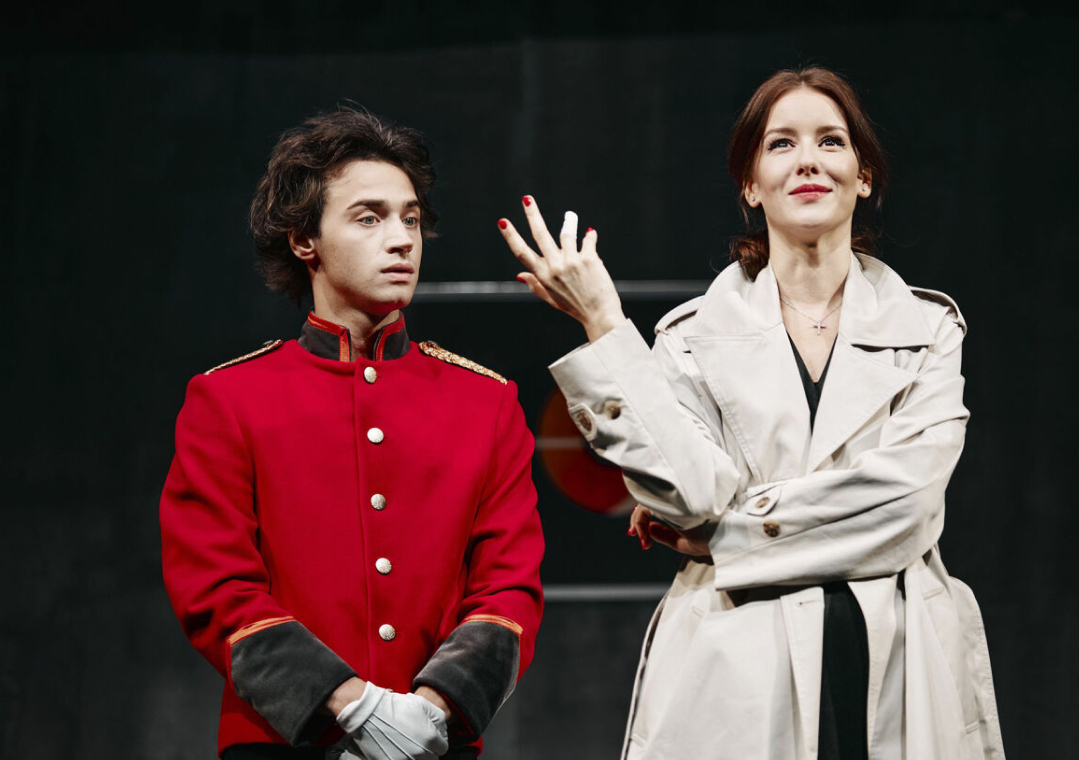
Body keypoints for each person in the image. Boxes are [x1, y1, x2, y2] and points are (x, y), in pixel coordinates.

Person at [497, 68, 1003, 759]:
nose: (808, 161)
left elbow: (906, 508)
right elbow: (691, 495)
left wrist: (727, 536)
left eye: (831, 141)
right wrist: (605, 323)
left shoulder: (928, 328)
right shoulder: (689, 337)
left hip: (898, 657)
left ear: (863, 177)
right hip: (735, 669)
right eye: (781, 144)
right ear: (750, 183)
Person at [160, 106, 544, 760]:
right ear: (303, 240)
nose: (401, 240)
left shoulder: (487, 402)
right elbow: (216, 588)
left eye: (411, 219)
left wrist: (434, 709)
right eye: (369, 218)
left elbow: (509, 588)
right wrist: (349, 703)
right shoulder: (229, 399)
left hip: (435, 746)